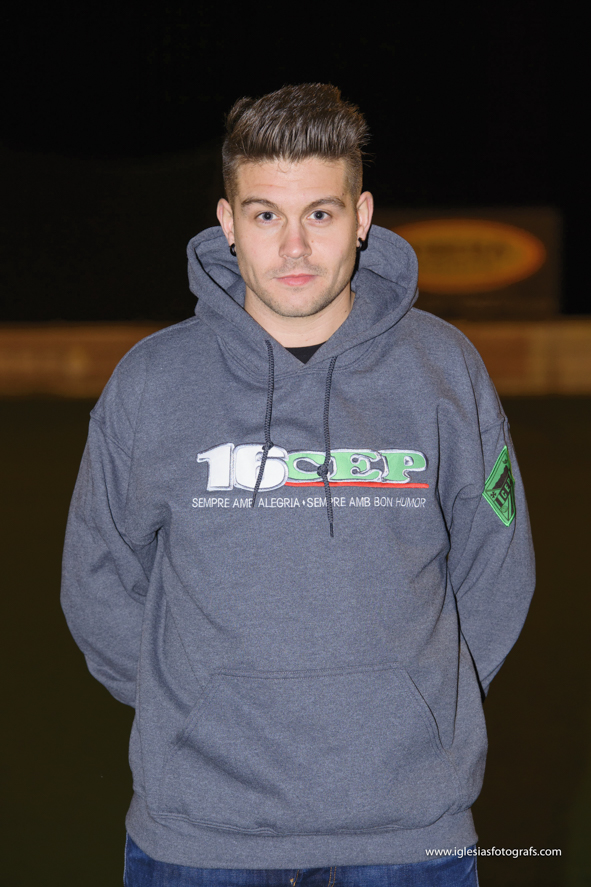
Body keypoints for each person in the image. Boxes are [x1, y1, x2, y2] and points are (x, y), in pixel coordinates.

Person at [61, 84, 535, 886]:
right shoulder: (152, 381)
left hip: (406, 828)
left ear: (361, 216)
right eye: (265, 214)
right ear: (227, 222)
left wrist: (422, 704)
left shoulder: (442, 369)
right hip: (202, 834)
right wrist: (194, 709)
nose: (293, 247)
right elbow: (97, 576)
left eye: (319, 213)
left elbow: (497, 563)